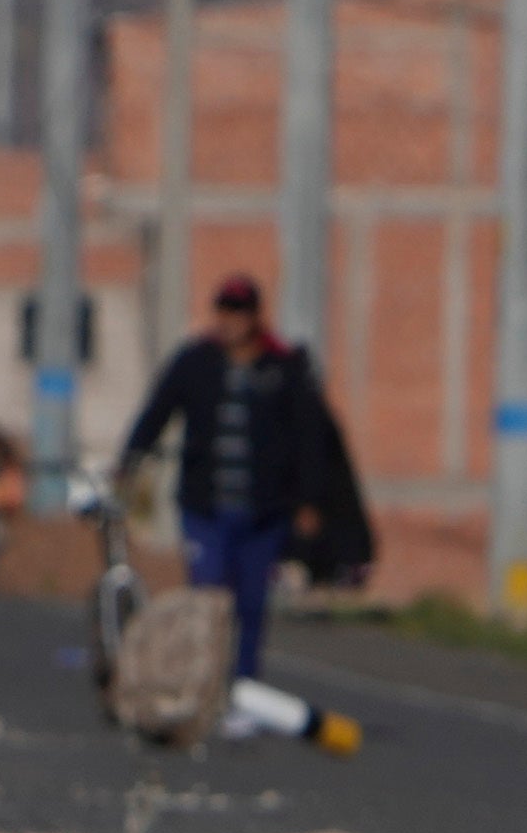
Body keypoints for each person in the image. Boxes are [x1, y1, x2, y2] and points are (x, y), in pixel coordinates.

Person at [114, 273, 367, 684]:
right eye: (224, 310)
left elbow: (310, 440)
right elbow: (157, 413)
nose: (230, 320)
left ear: (254, 316)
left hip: (264, 510)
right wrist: (130, 462)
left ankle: (243, 687)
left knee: (250, 604)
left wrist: (309, 501)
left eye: (240, 312)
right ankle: (203, 682)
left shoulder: (283, 368)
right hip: (205, 506)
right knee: (207, 596)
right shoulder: (195, 362)